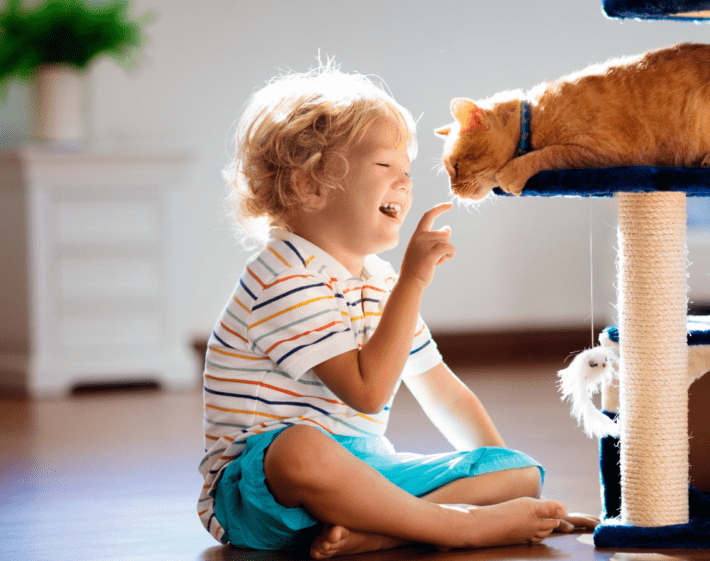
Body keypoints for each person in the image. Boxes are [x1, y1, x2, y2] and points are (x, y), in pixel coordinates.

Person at [197, 67, 596, 559]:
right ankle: (453, 528)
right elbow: (366, 392)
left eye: (406, 167)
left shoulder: (378, 280)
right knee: (300, 448)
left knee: (520, 471)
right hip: (258, 493)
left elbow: (444, 394)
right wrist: (413, 281)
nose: (406, 180)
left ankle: (380, 532)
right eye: (385, 165)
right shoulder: (282, 276)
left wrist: (511, 487)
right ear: (309, 187)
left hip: (364, 477)